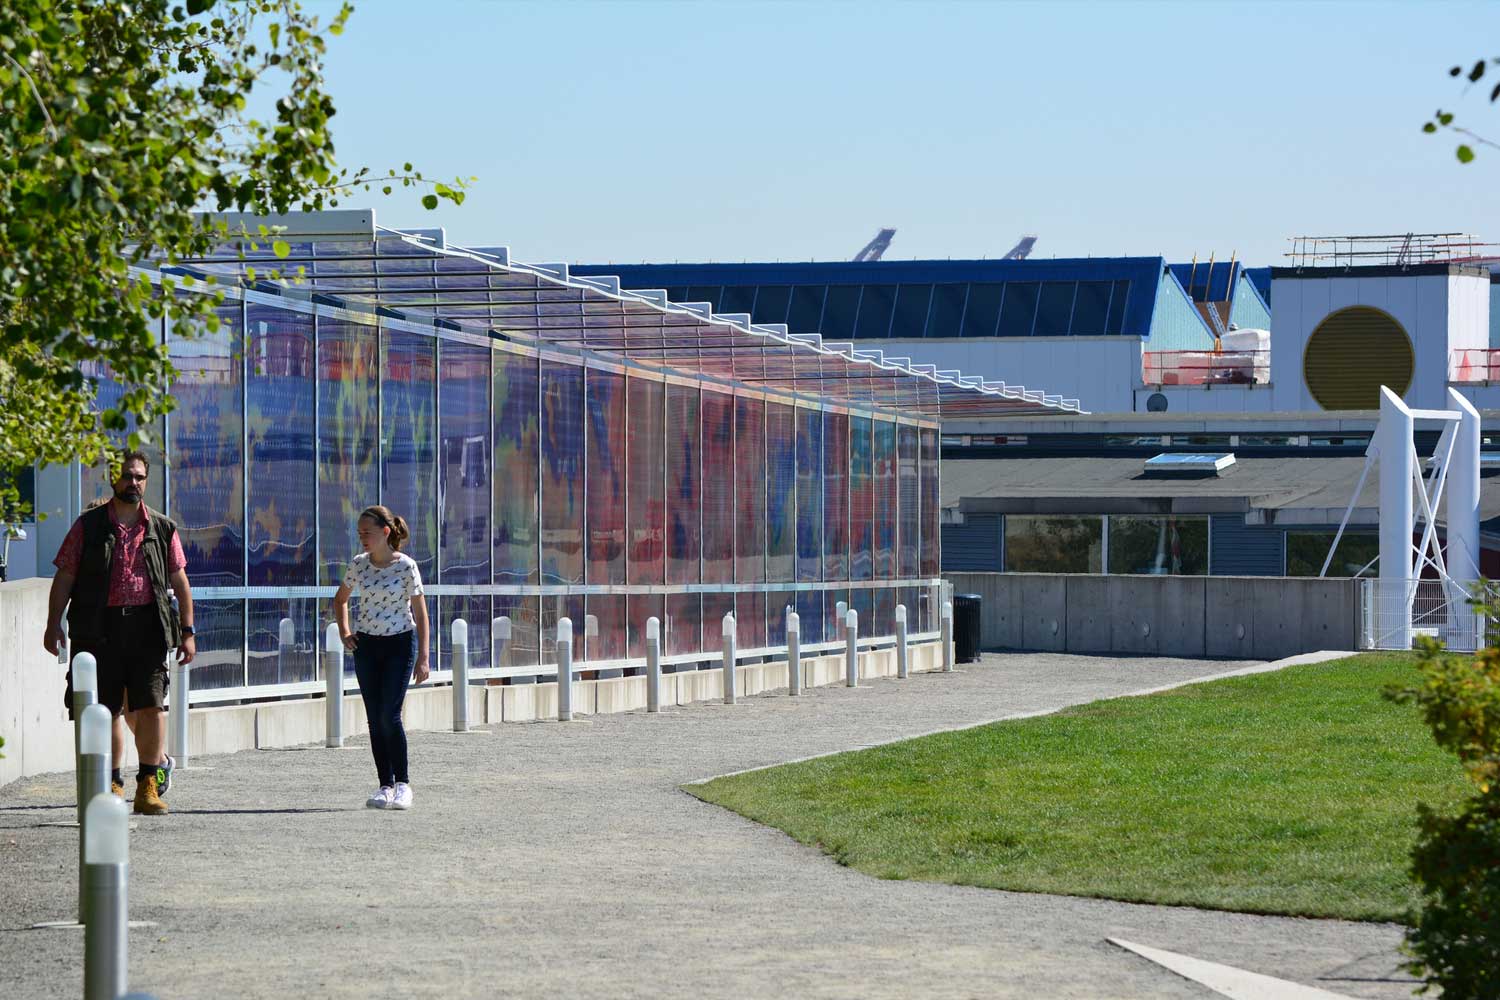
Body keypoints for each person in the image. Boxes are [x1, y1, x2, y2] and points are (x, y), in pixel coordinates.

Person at [43, 452, 194, 816]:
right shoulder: (88, 526)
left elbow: (180, 580)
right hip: (99, 628)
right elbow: (65, 575)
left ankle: (148, 786)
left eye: (140, 477)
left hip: (148, 627)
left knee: (152, 706)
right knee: (106, 708)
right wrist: (53, 623)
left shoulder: (162, 527)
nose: (134, 483)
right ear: (113, 480)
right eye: (128, 477)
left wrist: (187, 631)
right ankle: (111, 782)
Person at [332, 505, 429, 811]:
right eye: (359, 533)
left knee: (390, 714)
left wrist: (424, 656)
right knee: (374, 718)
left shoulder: (406, 566)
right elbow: (341, 599)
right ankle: (384, 785)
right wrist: (345, 631)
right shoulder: (359, 565)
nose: (362, 538)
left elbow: (421, 613)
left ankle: (403, 783)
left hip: (400, 643)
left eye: (368, 533)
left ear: (385, 532)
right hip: (368, 645)